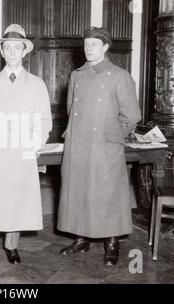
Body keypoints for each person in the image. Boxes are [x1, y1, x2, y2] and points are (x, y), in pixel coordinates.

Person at [57, 26, 141, 266]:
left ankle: (112, 243)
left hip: (105, 146)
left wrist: (113, 135)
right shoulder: (76, 75)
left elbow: (132, 115)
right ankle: (81, 239)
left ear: (105, 47)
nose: (88, 48)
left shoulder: (119, 76)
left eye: (94, 44)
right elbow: (71, 111)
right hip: (78, 144)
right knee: (79, 191)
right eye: (86, 44)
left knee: (107, 193)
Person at [0, 24, 52, 265]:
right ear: (2, 52)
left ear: (25, 51)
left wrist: (34, 144)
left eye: (18, 47)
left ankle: (11, 245)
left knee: (17, 198)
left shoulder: (37, 85)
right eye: (8, 48)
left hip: (21, 151)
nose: (13, 52)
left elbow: (44, 120)